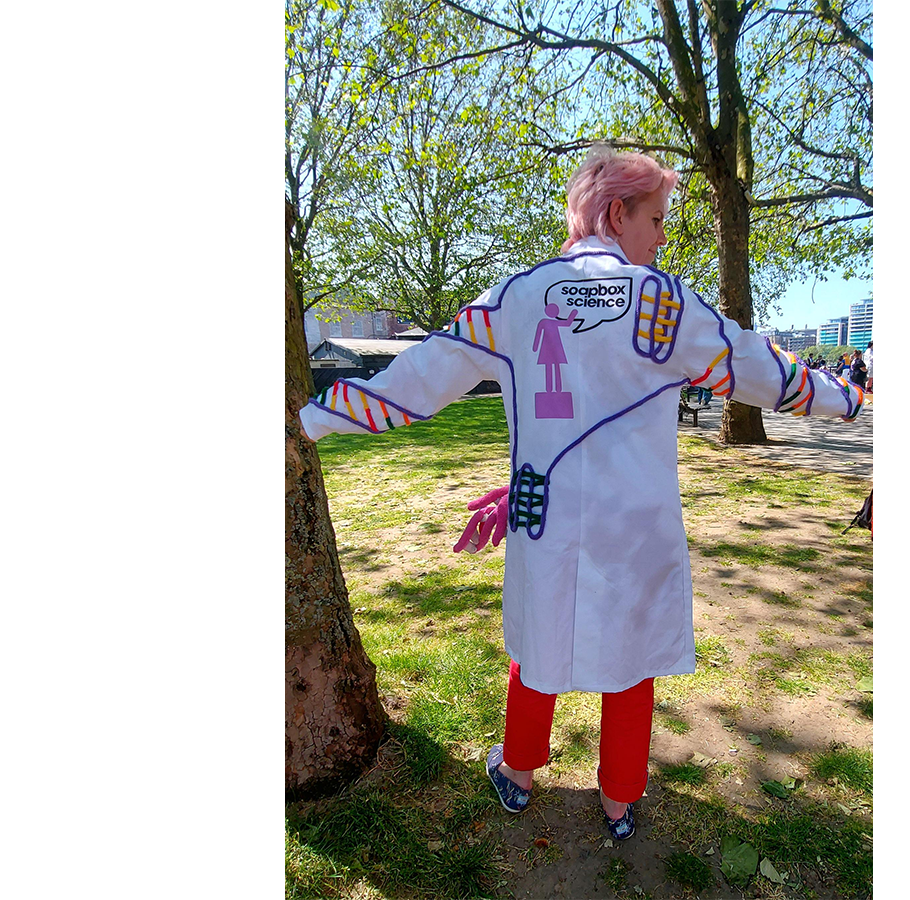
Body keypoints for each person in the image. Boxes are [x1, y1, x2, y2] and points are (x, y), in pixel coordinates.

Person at [296, 144, 866, 840]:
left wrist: (309, 419)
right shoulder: (665, 304)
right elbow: (759, 368)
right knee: (631, 660)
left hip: (547, 519)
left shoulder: (513, 298)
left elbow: (415, 381)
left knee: (538, 638)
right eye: (656, 219)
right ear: (616, 211)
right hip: (639, 528)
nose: (662, 237)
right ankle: (620, 800)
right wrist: (848, 400)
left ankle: (518, 773)